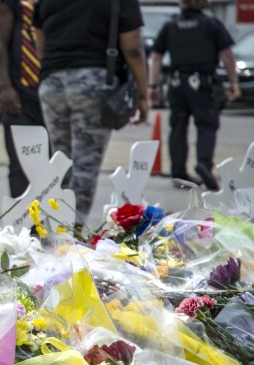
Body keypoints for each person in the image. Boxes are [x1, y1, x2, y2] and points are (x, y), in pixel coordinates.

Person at [34, 0, 149, 224]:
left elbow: (40, 41)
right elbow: (133, 47)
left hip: (52, 82)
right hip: (94, 82)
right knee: (84, 165)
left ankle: (53, 228)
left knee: (60, 162)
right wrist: (142, 93)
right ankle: (70, 234)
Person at [148, 0, 240, 191]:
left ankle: (178, 172)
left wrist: (153, 86)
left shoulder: (171, 26)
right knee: (207, 125)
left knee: (178, 127)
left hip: (176, 83)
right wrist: (233, 83)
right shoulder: (212, 25)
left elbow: (155, 57)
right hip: (203, 84)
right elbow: (227, 55)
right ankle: (204, 164)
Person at [0, 0, 45, 199]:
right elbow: (0, 41)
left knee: (54, 166)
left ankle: (53, 225)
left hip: (53, 96)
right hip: (20, 96)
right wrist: (5, 87)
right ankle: (21, 227)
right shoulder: (13, 3)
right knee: (20, 166)